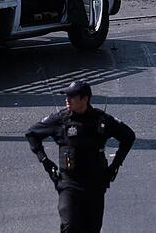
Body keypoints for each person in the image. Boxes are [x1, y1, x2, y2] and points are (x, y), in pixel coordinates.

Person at [26, 81, 135, 233]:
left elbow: (128, 136)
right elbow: (32, 134)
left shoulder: (101, 120)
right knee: (70, 226)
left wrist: (115, 166)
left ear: (85, 99)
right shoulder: (61, 120)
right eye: (66, 96)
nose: (67, 100)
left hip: (95, 183)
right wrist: (45, 161)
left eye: (72, 96)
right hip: (69, 183)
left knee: (92, 228)